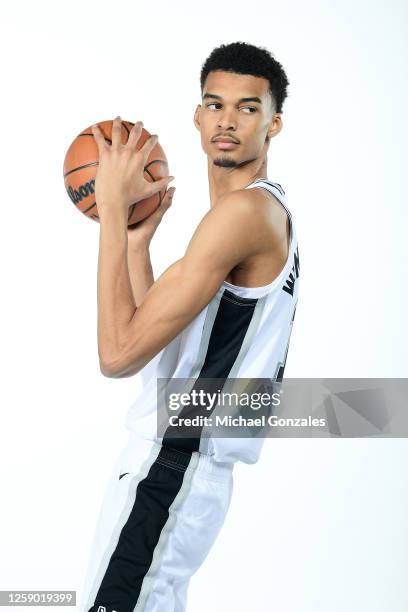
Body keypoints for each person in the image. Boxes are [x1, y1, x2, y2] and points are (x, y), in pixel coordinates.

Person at [80, 41, 300, 612]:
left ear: (274, 122)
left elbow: (116, 354)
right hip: (178, 464)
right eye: (215, 104)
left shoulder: (244, 215)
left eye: (248, 107)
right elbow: (157, 344)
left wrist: (108, 209)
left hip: (172, 466)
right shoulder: (246, 214)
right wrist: (134, 243)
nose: (227, 120)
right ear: (197, 117)